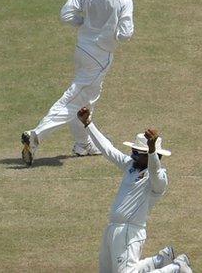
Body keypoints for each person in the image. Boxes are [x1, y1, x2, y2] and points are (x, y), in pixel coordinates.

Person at [21, 0, 140, 166]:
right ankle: (36, 134)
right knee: (75, 97)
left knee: (87, 99)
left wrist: (86, 26)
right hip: (100, 55)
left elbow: (66, 15)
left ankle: (83, 144)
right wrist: (108, 33)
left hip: (82, 49)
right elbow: (125, 34)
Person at [76, 107, 193, 272]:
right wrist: (88, 124)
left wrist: (152, 150)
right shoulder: (130, 166)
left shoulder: (158, 180)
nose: (133, 156)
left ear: (151, 155)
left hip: (130, 231)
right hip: (112, 229)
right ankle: (162, 259)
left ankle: (175, 269)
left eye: (138, 153)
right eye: (133, 152)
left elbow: (155, 170)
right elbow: (108, 150)